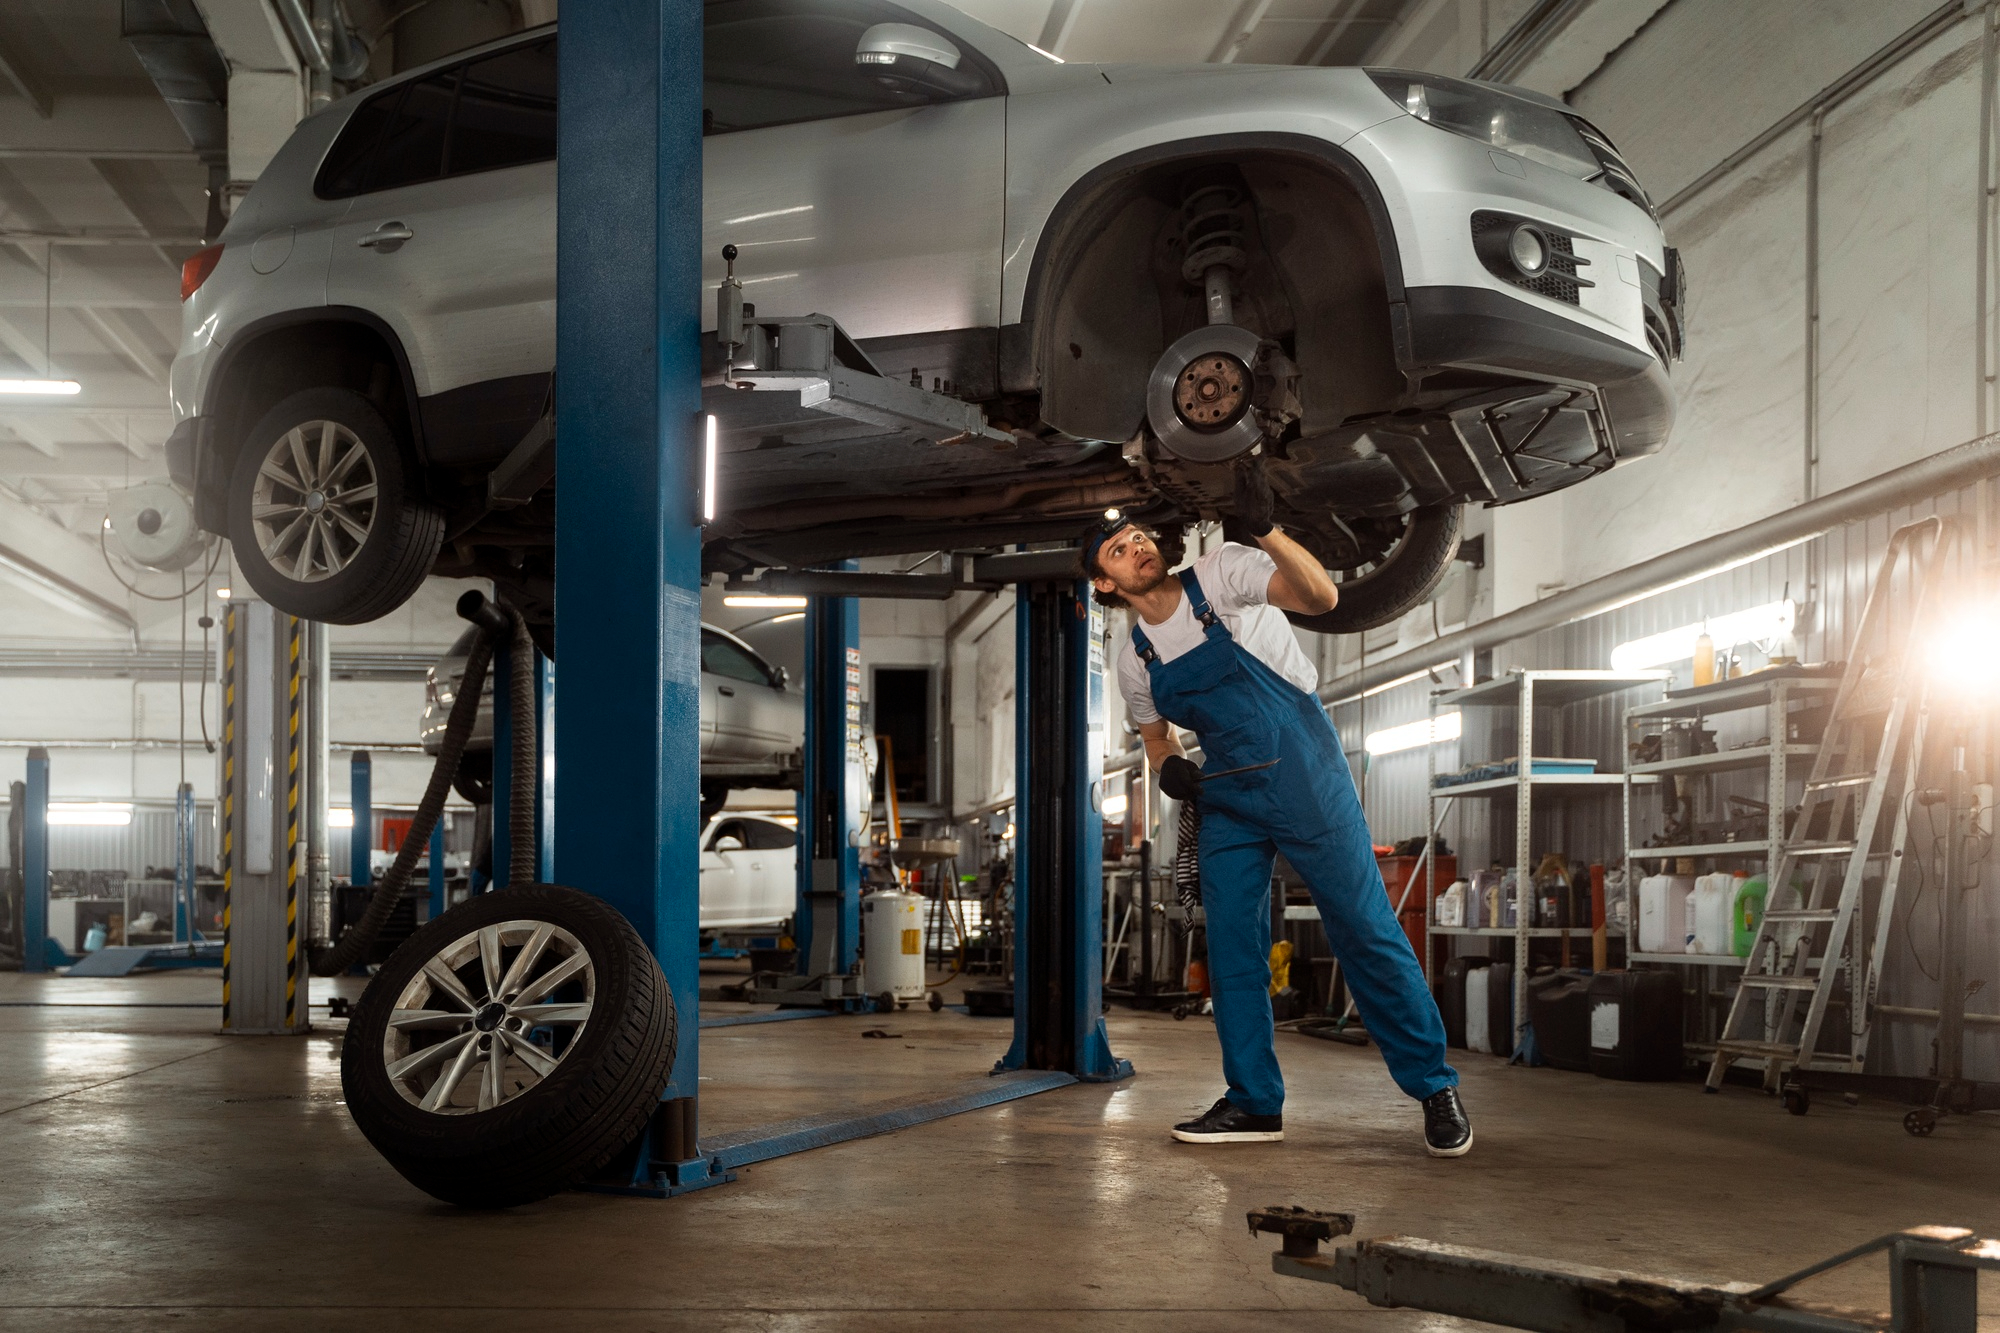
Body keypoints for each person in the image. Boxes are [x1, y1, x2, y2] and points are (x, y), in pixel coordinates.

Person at [1082, 464, 1471, 1157]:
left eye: (1139, 537)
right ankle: (1254, 1101)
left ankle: (1434, 1086)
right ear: (1105, 584)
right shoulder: (1134, 656)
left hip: (1303, 769)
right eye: (1119, 549)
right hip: (1227, 792)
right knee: (1234, 950)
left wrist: (1266, 529)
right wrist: (1170, 766)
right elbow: (1154, 736)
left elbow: (1321, 597)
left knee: (1363, 927)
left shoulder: (1222, 572)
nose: (1138, 546)